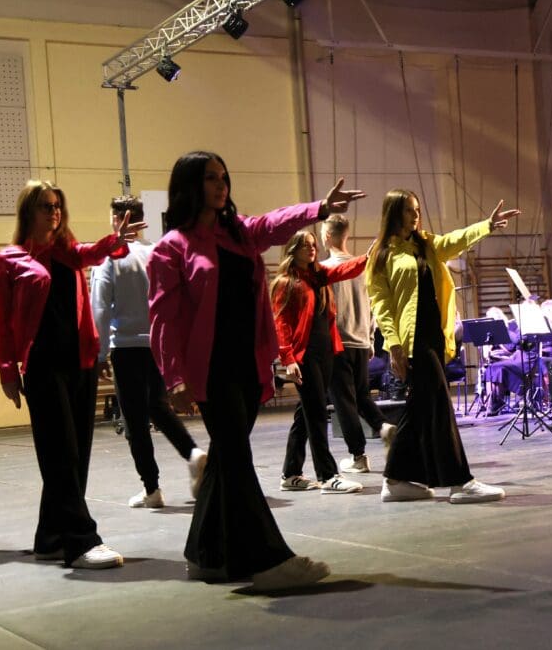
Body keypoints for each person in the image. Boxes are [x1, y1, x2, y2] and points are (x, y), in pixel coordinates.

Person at [147, 150, 363, 590]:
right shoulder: (172, 248)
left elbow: (273, 223)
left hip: (247, 362)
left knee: (226, 456)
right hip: (211, 368)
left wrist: (319, 209)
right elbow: (163, 318)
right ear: (190, 185)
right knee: (236, 456)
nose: (220, 185)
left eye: (223, 176)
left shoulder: (238, 233)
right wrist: (175, 378)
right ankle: (268, 561)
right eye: (210, 178)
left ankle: (205, 555)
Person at [0, 180, 144, 569]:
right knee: (60, 454)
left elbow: (94, 251)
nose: (54, 212)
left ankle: (50, 538)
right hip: (43, 366)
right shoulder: (10, 259)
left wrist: (115, 240)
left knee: (76, 455)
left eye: (57, 205)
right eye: (46, 206)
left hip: (81, 362)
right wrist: (7, 370)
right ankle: (80, 541)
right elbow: (2, 323)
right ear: (29, 210)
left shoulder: (69, 253)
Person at [366, 189, 518, 504]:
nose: (415, 215)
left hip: (435, 337)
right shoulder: (382, 255)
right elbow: (381, 305)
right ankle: (460, 481)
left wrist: (487, 225)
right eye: (409, 210)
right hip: (412, 343)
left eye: (417, 209)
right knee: (439, 407)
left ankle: (394, 480)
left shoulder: (425, 244)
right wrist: (393, 345)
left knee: (421, 407)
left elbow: (454, 240)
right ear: (394, 213)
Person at [91, 196, 207, 509]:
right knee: (157, 406)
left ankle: (152, 489)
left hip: (127, 347)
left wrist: (100, 353)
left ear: (117, 220)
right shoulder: (157, 252)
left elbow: (100, 308)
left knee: (134, 422)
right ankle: (193, 453)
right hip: (158, 344)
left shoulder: (109, 258)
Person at [273, 230, 367, 494]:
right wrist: (288, 358)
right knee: (315, 416)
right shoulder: (285, 282)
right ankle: (328, 476)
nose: (311, 249)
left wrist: (368, 257)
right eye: (305, 245)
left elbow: (346, 270)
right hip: (305, 356)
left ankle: (290, 473)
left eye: (313, 244)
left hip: (325, 353)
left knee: (306, 414)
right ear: (293, 249)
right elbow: (281, 323)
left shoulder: (319, 276)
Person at [320, 214, 395, 474]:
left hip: (338, 343)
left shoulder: (324, 269)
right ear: (347, 235)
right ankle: (384, 426)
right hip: (362, 341)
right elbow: (373, 304)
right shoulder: (362, 267)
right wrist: (371, 338)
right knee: (361, 396)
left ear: (327, 236)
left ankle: (358, 456)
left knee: (343, 402)